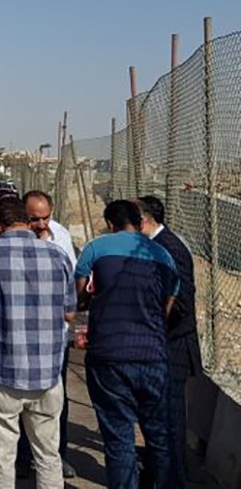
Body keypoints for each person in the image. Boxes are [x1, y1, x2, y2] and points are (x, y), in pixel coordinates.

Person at [0, 196, 75, 489]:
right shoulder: (58, 256)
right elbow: (70, 312)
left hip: (1, 369)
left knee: (1, 455)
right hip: (48, 372)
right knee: (48, 455)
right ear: (27, 219)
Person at [75, 200, 179, 489]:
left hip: (108, 355)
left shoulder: (96, 248)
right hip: (153, 357)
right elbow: (167, 306)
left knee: (119, 438)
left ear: (110, 224)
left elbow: (80, 297)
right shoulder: (163, 256)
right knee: (160, 437)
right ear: (139, 221)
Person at [137, 195, 203, 487]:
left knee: (171, 421)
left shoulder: (171, 249)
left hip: (172, 347)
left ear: (144, 220)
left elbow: (181, 304)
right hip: (162, 346)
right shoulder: (157, 246)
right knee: (158, 419)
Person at [18, 190, 77, 480]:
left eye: (46, 218)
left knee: (56, 401)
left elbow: (71, 283)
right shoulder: (13, 242)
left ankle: (57, 456)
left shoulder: (61, 236)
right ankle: (22, 457)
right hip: (22, 335)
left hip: (54, 337)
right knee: (18, 400)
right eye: (34, 219)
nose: (41, 225)